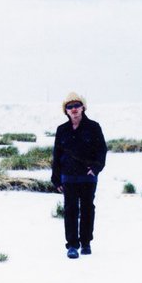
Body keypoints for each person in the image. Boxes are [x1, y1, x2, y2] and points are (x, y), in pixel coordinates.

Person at [51, 91, 107, 259]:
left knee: (88, 208)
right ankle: (72, 245)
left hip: (87, 177)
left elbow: (101, 150)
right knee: (70, 210)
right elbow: (57, 154)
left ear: (83, 107)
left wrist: (96, 168)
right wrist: (56, 177)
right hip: (68, 177)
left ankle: (86, 242)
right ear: (66, 111)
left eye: (77, 105)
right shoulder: (62, 130)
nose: (74, 109)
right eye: (70, 106)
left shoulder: (94, 127)